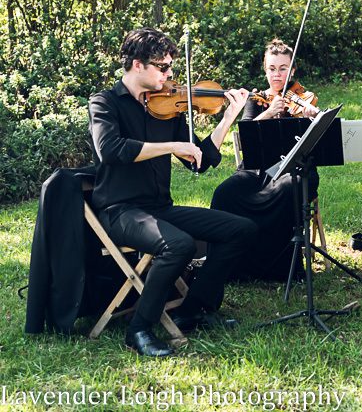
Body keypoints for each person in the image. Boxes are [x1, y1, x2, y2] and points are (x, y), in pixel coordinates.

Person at [89, 28, 256, 357]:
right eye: (163, 68)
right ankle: (138, 329)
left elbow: (199, 161)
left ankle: (193, 309)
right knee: (178, 244)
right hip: (120, 211)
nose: (169, 75)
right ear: (138, 65)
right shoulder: (105, 102)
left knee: (241, 229)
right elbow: (110, 149)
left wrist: (227, 118)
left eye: (171, 69)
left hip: (159, 208)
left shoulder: (168, 106)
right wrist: (171, 145)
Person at [210, 39, 320, 280]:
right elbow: (246, 134)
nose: (277, 74)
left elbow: (313, 140)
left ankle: (282, 267)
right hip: (256, 169)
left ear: (292, 70)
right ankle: (232, 265)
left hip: (294, 169)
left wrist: (311, 118)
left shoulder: (303, 99)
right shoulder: (256, 99)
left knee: (287, 189)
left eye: (283, 68)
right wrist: (270, 113)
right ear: (265, 70)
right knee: (225, 193)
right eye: (272, 69)